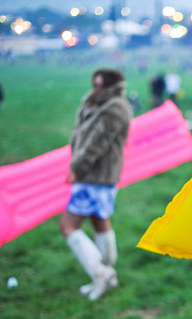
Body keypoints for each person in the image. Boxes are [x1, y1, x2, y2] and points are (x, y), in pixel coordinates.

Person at [60, 68, 133, 301]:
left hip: (94, 177)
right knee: (99, 221)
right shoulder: (100, 103)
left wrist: (77, 168)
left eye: (99, 84)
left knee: (68, 226)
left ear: (110, 85)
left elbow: (95, 143)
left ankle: (101, 273)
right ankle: (107, 275)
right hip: (99, 177)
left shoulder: (114, 108)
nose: (96, 88)